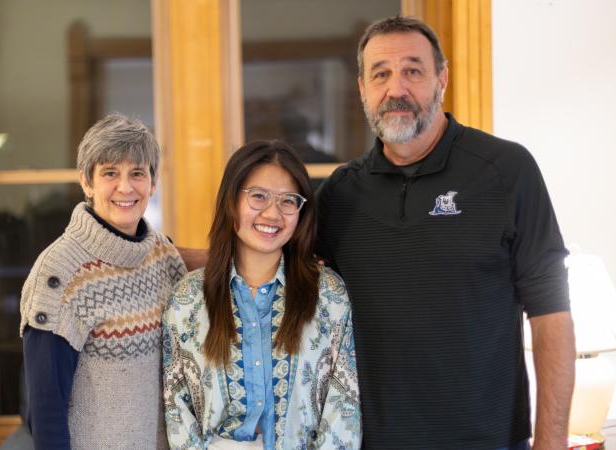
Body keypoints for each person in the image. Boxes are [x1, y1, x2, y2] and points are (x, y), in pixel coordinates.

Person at [314, 16, 576, 450]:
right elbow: (272, 270)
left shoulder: (507, 171)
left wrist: (551, 443)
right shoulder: (339, 194)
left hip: (488, 441)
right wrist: (168, 256)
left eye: (413, 71)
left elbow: (552, 317)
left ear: (442, 79)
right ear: (362, 89)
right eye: (381, 74)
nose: (396, 89)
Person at [162, 141, 361, 449]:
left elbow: (343, 408)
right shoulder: (187, 299)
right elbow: (178, 411)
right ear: (231, 202)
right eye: (258, 196)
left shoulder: (328, 296)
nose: (273, 214)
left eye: (288, 201)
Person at [19, 114, 187, 449]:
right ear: (87, 181)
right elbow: (46, 410)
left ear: (153, 183)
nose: (125, 187)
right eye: (110, 173)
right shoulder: (60, 275)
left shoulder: (164, 256)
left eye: (137, 173)